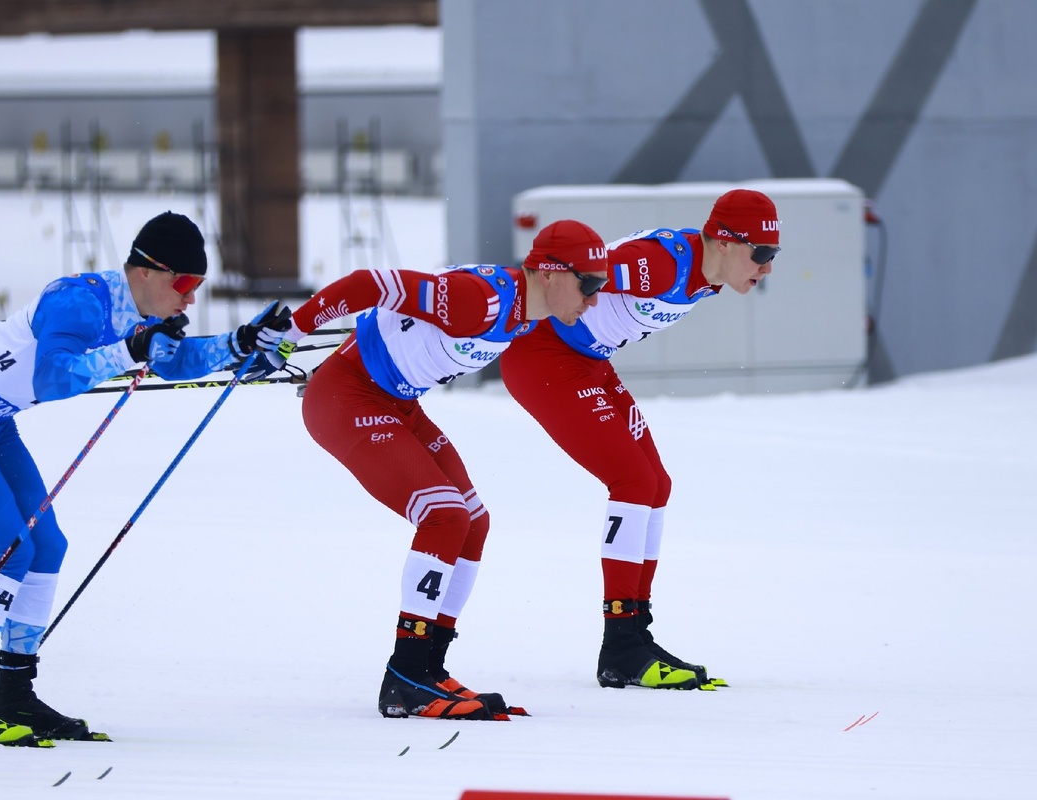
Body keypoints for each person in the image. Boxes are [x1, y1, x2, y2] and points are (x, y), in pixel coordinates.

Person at [0, 211, 290, 747]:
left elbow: (173, 362)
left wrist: (240, 342)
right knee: (10, 549)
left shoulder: (138, 312)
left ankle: (15, 694)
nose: (191, 298)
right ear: (148, 271)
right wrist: (130, 352)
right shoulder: (78, 300)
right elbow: (52, 376)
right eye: (187, 283)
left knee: (47, 546)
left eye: (198, 285)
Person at [273, 220, 608, 720]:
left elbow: (399, 332)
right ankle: (405, 674)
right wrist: (290, 334)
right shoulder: (480, 299)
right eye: (590, 284)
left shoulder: (525, 312)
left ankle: (428, 666)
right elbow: (371, 285)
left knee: (473, 522)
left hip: (397, 403)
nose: (595, 299)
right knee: (444, 515)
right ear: (549, 274)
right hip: (348, 400)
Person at [499, 189, 781, 692]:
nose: (767, 268)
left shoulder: (708, 275)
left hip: (585, 359)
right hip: (542, 356)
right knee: (631, 481)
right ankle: (621, 646)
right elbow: (556, 273)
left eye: (773, 256)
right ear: (721, 242)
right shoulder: (658, 264)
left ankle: (635, 635)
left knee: (656, 484)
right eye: (761, 254)